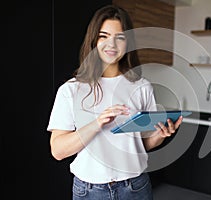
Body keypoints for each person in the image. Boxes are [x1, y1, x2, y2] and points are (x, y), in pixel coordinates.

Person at [47, 4, 183, 200]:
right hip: (89, 191)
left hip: (136, 187)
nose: (111, 44)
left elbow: (139, 146)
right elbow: (58, 151)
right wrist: (97, 123)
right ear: (94, 41)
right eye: (103, 36)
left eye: (120, 37)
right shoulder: (71, 89)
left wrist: (159, 136)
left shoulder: (141, 87)